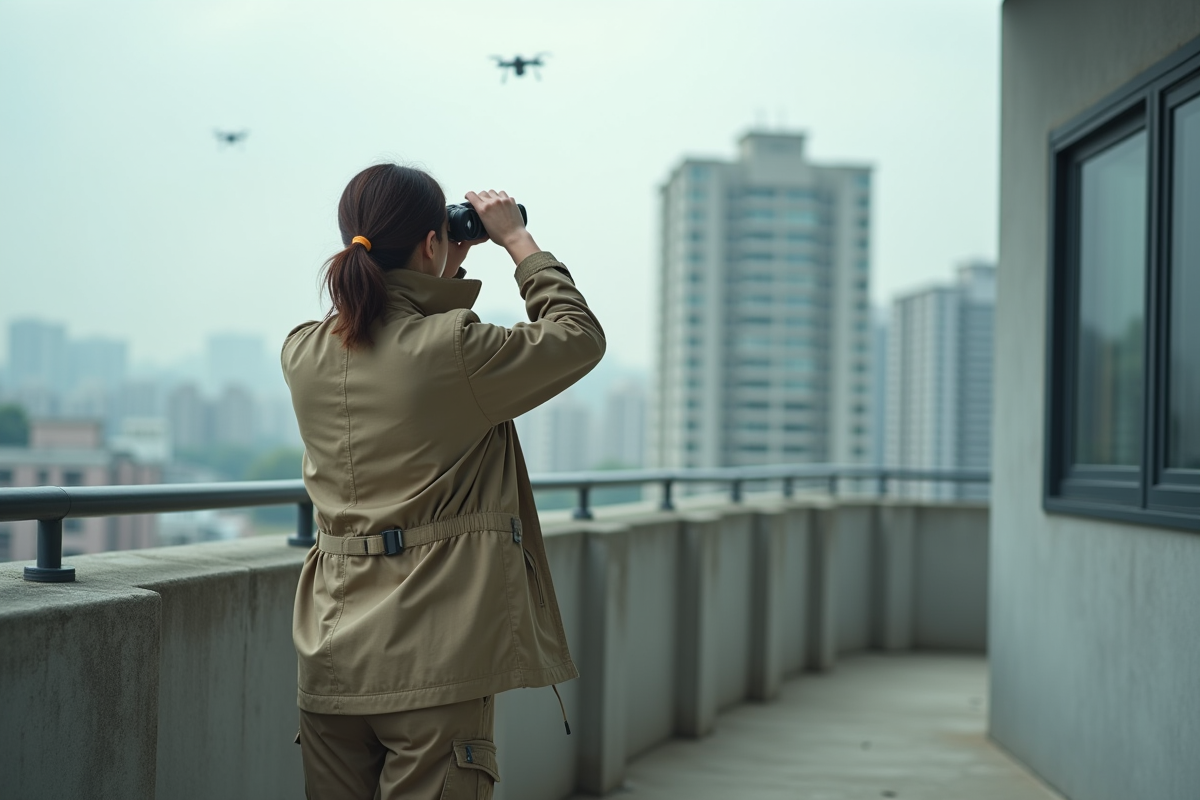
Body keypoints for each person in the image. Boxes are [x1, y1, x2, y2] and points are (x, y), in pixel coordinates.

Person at [281, 163, 605, 799]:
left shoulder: (302, 351)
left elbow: (389, 334)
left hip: (331, 658)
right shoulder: (455, 348)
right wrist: (516, 241)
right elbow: (578, 337)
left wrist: (439, 267)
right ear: (432, 241)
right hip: (434, 660)